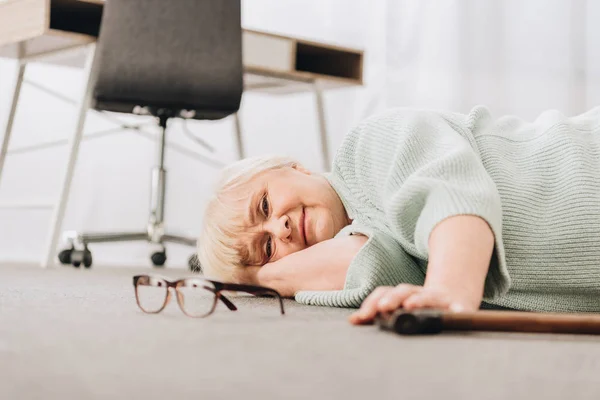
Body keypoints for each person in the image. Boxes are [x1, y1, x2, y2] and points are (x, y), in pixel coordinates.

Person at [197, 105, 600, 324]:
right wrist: (260, 277)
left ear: (294, 167)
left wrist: (449, 289)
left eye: (264, 206)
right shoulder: (373, 248)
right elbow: (365, 269)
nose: (279, 226)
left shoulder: (370, 148)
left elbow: (452, 201)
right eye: (266, 246)